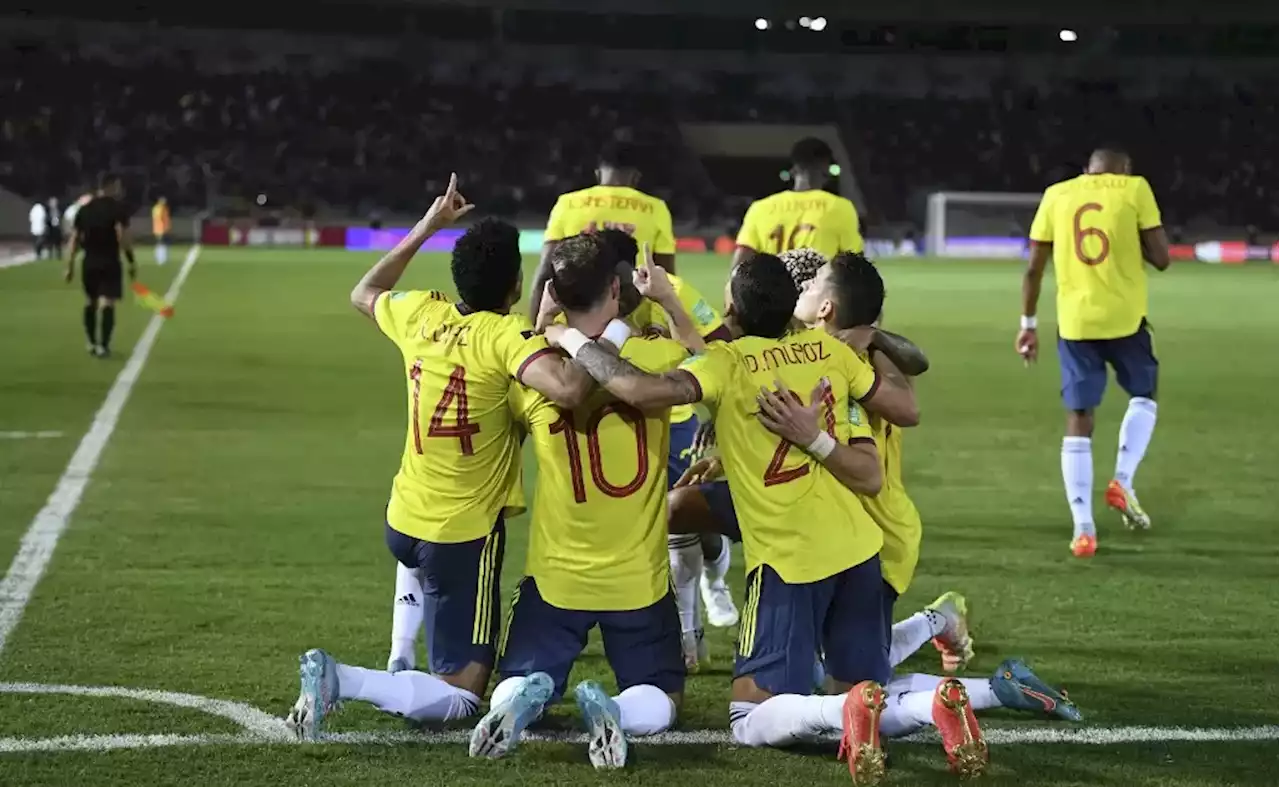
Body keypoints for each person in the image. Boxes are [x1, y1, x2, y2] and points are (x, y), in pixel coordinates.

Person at [544, 255, 925, 783]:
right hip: (860, 550)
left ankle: (840, 708)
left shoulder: (726, 363)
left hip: (791, 560)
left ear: (732, 310)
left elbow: (641, 390)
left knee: (751, 717)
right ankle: (954, 702)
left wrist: (569, 340)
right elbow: (894, 424)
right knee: (859, 691)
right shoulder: (833, 354)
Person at [287, 176, 601, 741]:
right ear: (514, 283)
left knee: (438, 630)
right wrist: (589, 331)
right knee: (461, 699)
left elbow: (363, 292)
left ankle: (398, 656)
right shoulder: (504, 339)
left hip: (404, 517)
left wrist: (428, 226)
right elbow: (570, 390)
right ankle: (343, 679)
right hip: (461, 536)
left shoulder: (419, 313)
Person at [470, 234, 687, 770]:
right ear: (616, 287)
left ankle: (518, 703)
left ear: (554, 295)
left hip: (557, 575)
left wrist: (542, 328)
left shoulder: (533, 374)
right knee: (663, 697)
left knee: (517, 678)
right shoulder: (657, 354)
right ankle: (612, 711)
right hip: (637, 576)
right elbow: (707, 356)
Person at [1018, 148, 1171, 558]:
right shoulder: (1135, 188)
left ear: (1088, 170)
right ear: (1124, 170)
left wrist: (1028, 325)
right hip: (1125, 319)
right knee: (1144, 394)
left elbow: (1033, 267)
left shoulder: (1057, 195)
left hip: (1076, 323)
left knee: (1079, 417)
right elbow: (1162, 258)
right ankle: (1122, 478)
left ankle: (1083, 529)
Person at [529, 140, 676, 326]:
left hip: (573, 321)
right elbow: (667, 277)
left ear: (598, 174)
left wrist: (535, 332)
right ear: (635, 177)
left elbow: (544, 273)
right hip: (634, 323)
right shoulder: (656, 208)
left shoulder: (568, 203)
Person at [732, 138, 863, 268]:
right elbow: (855, 266)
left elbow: (740, 265)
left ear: (794, 169)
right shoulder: (840, 208)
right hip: (816, 288)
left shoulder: (760, 208)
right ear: (826, 168)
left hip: (772, 287)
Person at [66, 174, 135, 358]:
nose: (119, 190)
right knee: (107, 304)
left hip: (89, 261)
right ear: (110, 186)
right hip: (110, 260)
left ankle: (91, 341)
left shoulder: (85, 209)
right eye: (117, 186)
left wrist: (69, 266)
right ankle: (103, 345)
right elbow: (123, 236)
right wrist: (130, 260)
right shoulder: (117, 209)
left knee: (91, 302)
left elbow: (74, 239)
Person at [152, 196, 171, 265]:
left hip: (161, 229)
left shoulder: (161, 208)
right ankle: (160, 258)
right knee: (161, 243)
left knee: (162, 243)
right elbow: (160, 218)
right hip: (160, 229)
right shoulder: (159, 208)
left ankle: (161, 257)